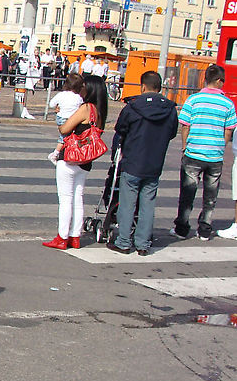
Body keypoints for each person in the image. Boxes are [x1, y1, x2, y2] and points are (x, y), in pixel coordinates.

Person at [106, 71, 179, 255]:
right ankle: (143, 244)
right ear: (160, 87)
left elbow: (121, 129)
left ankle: (123, 242)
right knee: (148, 204)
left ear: (143, 86)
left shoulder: (133, 106)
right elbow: (172, 132)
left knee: (127, 203)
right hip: (155, 162)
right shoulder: (170, 109)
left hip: (133, 160)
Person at [170, 64, 237, 240]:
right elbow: (229, 130)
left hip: (193, 153)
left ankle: (181, 229)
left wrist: (185, 146)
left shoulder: (193, 100)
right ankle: (204, 230)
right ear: (220, 81)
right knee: (210, 197)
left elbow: (185, 125)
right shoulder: (228, 103)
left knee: (187, 194)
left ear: (206, 79)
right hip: (215, 156)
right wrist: (221, 146)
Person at [43, 75, 108, 250]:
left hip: (70, 158)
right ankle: (75, 236)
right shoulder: (100, 111)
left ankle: (62, 237)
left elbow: (64, 128)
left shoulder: (86, 108)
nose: (81, 89)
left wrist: (60, 116)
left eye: (84, 86)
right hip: (85, 160)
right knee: (78, 198)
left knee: (65, 199)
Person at [47, 73, 85, 164]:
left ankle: (60, 153)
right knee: (65, 138)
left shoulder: (61, 94)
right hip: (70, 118)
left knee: (65, 136)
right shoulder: (78, 97)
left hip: (60, 117)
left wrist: (58, 106)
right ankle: (55, 153)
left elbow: (51, 104)